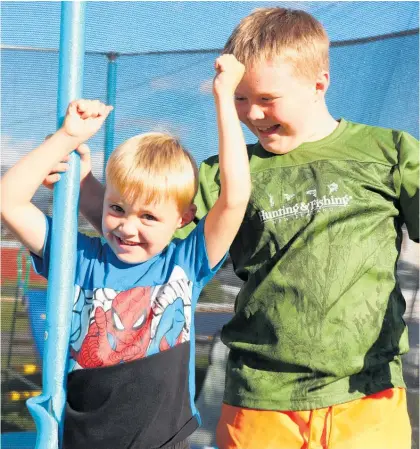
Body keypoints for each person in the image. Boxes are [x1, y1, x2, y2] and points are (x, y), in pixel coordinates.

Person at [43, 7, 419, 449]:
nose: (253, 113)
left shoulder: (386, 151)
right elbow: (143, 229)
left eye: (266, 98)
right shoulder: (227, 173)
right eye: (240, 98)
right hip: (262, 396)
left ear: (320, 83)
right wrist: (81, 182)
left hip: (367, 391)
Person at [0, 55, 250, 449]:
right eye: (117, 209)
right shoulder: (78, 260)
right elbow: (9, 201)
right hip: (83, 441)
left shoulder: (185, 264)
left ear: (184, 218)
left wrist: (224, 96)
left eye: (149, 217)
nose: (128, 227)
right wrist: (67, 138)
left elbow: (235, 199)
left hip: (163, 441)